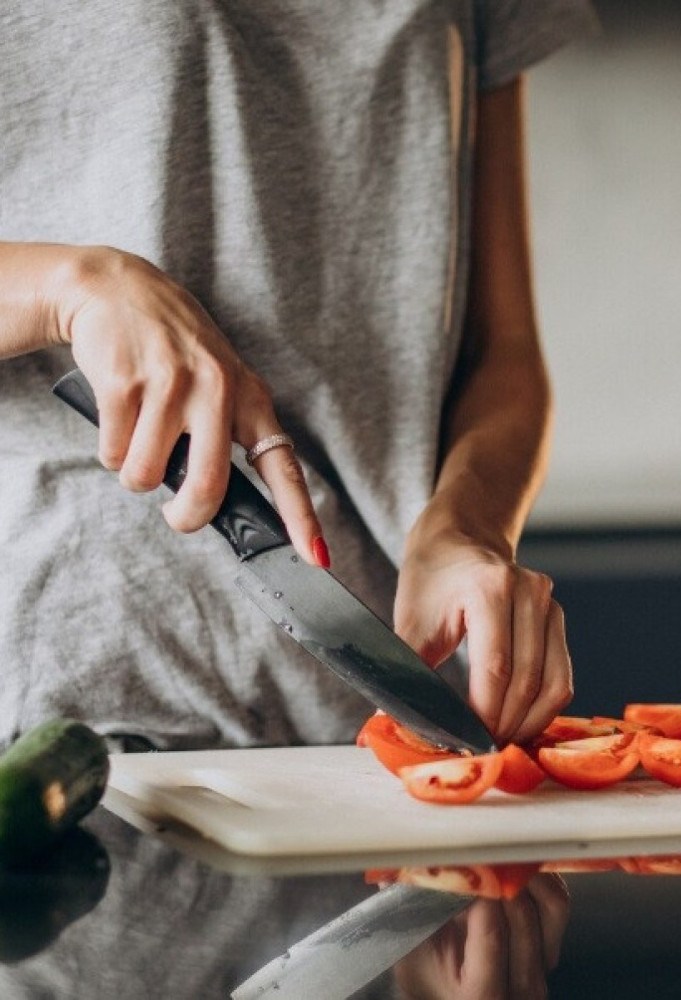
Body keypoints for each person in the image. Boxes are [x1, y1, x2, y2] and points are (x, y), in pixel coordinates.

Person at [0, 2, 598, 751]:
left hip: (386, 702)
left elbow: (501, 352)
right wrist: (70, 286)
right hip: (69, 721)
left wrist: (464, 527)